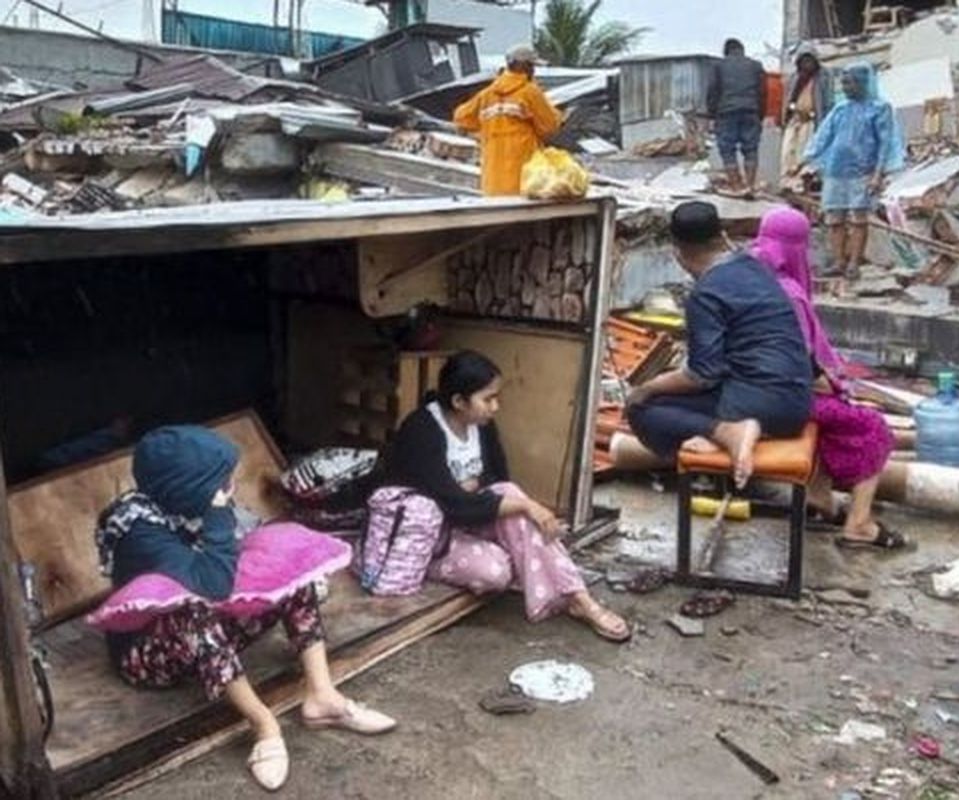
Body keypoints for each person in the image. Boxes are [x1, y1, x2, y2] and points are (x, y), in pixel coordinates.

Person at [98, 426, 395, 792]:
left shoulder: (183, 505)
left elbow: (230, 562)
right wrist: (218, 515)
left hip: (203, 637)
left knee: (293, 575)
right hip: (147, 654)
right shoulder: (140, 530)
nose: (229, 488)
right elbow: (213, 585)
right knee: (193, 610)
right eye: (219, 482)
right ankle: (263, 724)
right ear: (186, 487)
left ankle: (322, 696)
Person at [373, 350, 630, 642]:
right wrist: (521, 504)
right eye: (488, 399)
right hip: (431, 536)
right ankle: (430, 566)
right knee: (495, 573)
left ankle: (581, 600)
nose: (495, 407)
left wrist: (487, 495)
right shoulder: (421, 431)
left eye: (496, 397)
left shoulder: (481, 425)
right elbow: (454, 506)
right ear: (459, 402)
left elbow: (496, 479)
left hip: (468, 517)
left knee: (510, 499)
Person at [750, 206, 907, 549]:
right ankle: (860, 523)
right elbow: (799, 364)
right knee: (873, 426)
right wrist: (835, 386)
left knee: (828, 414)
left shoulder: (746, 277)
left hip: (748, 390)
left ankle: (819, 500)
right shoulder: (787, 293)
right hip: (780, 397)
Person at [626, 201, 812, 488]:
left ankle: (727, 432)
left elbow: (702, 375)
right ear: (722, 236)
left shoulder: (706, 293)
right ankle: (724, 434)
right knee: (678, 399)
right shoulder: (755, 267)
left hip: (754, 404)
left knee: (643, 409)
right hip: (796, 404)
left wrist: (646, 387)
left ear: (677, 252)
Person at [803, 61, 905, 279]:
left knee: (859, 219)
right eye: (844, 83)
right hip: (835, 171)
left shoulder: (880, 108)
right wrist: (807, 158)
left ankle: (853, 263)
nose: (846, 87)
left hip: (863, 172)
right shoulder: (840, 109)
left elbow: (885, 143)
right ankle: (839, 261)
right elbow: (823, 136)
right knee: (834, 218)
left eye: (850, 83)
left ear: (863, 83)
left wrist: (878, 174)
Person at [453, 44, 562, 196]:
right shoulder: (530, 92)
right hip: (524, 177)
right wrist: (557, 115)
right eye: (532, 66)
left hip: (492, 179)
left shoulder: (487, 94)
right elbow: (550, 127)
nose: (534, 71)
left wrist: (483, 130)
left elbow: (461, 118)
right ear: (526, 66)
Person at [708, 38, 766, 197]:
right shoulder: (756, 66)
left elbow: (713, 91)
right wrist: (760, 114)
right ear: (742, 50)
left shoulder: (718, 66)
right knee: (751, 149)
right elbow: (763, 93)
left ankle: (736, 187)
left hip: (726, 112)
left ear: (726, 51)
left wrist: (712, 115)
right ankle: (750, 185)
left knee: (727, 150)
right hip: (751, 110)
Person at [781, 44, 833, 178]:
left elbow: (828, 100)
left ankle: (800, 183)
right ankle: (786, 181)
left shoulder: (824, 76)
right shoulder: (795, 77)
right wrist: (784, 117)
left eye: (809, 60)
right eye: (804, 61)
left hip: (811, 121)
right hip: (794, 119)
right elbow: (788, 98)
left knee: (803, 154)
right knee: (787, 152)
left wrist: (825, 124)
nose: (807, 64)